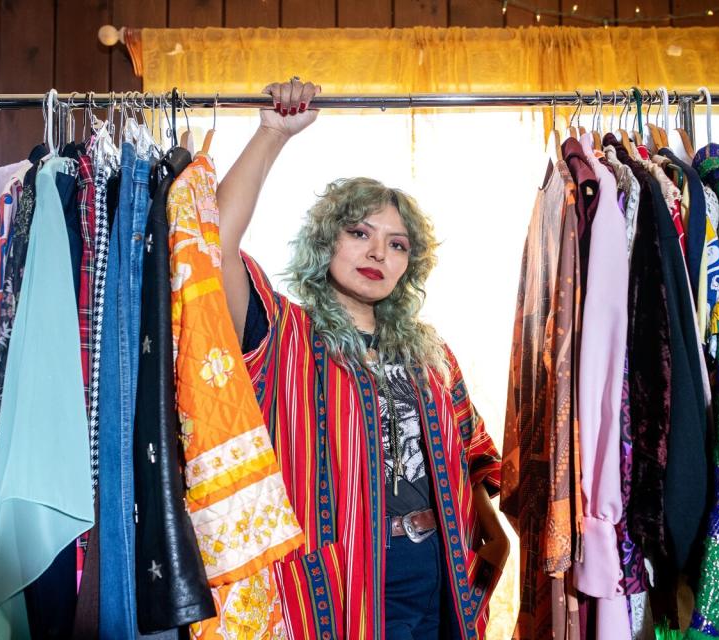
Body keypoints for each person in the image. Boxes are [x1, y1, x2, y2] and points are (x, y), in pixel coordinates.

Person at [215, 77, 510, 640]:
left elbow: (471, 454)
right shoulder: (285, 333)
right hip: (339, 584)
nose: (378, 251)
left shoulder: (431, 354)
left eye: (397, 244)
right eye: (359, 232)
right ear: (326, 242)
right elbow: (214, 244)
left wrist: (492, 536)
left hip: (438, 579)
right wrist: (272, 134)